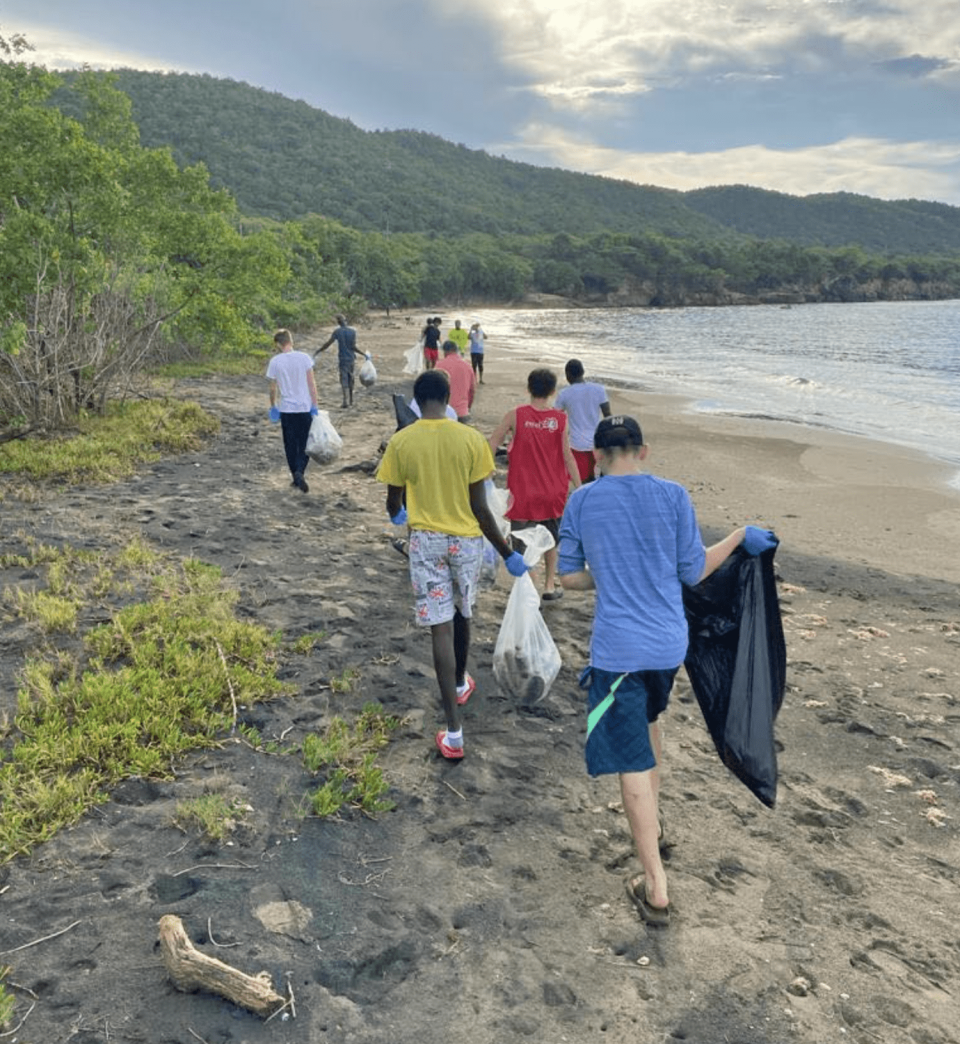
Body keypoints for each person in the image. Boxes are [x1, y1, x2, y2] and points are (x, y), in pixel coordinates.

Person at [557, 415, 777, 926]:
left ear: (595, 457)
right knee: (652, 727)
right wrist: (740, 535)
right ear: (643, 451)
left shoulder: (582, 501)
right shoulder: (674, 495)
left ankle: (655, 886)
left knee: (631, 760)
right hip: (667, 646)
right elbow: (693, 569)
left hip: (619, 653)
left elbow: (567, 578)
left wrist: (608, 572)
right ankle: (652, 831)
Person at [377, 369, 529, 760]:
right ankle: (461, 682)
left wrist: (399, 515)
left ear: (417, 399)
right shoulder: (471, 440)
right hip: (466, 543)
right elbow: (481, 508)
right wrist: (507, 551)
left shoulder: (402, 441)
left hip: (426, 541)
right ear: (447, 398)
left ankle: (453, 731)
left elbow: (394, 502)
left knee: (439, 628)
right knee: (464, 612)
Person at [488, 368, 581, 601]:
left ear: (528, 388)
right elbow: (568, 456)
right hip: (553, 491)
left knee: (520, 541)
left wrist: (486, 470)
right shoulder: (560, 419)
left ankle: (527, 583)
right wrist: (580, 487)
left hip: (523, 492)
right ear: (552, 391)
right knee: (551, 539)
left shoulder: (515, 415)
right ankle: (549, 586)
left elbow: (492, 442)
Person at [265, 328, 319, 494]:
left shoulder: (275, 361)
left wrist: (273, 405)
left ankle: (295, 476)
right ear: (291, 340)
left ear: (278, 344)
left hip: (287, 409)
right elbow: (312, 384)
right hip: (304, 407)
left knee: (290, 443)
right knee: (304, 443)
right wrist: (315, 405)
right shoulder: (304, 358)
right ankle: (300, 472)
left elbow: (273, 388)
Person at [555, 359, 611, 482]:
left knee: (582, 480)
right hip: (597, 442)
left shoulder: (564, 394)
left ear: (567, 375)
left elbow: (556, 418)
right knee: (600, 478)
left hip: (577, 444)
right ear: (583, 372)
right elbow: (608, 416)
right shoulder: (599, 389)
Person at [317, 315, 368, 408]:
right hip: (351, 358)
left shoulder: (337, 332)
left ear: (338, 323)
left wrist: (319, 350)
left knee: (344, 378)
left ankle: (345, 400)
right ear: (346, 321)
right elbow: (353, 347)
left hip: (343, 359)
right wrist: (363, 354)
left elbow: (328, 343)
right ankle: (351, 400)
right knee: (351, 377)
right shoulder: (352, 332)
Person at [436, 339, 477, 422]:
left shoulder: (439, 365)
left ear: (444, 351)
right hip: (462, 412)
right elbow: (472, 390)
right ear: (457, 350)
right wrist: (468, 407)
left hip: (444, 413)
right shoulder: (467, 366)